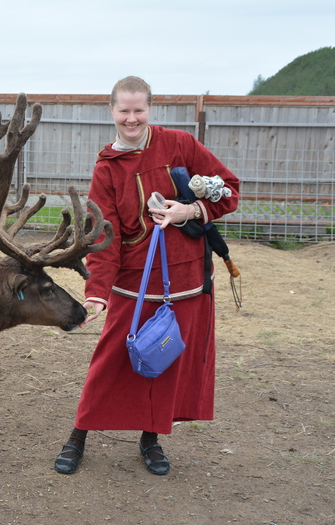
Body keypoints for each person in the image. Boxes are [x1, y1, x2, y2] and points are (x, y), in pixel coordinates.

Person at [54, 76, 240, 476]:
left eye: (139, 110)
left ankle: (151, 439)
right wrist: (98, 292)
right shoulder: (106, 169)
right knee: (111, 361)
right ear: (112, 112)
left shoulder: (180, 145)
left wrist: (187, 212)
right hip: (133, 285)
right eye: (125, 110)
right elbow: (105, 235)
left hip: (187, 283)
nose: (132, 118)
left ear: (149, 109)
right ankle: (79, 434)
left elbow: (230, 190)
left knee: (165, 362)